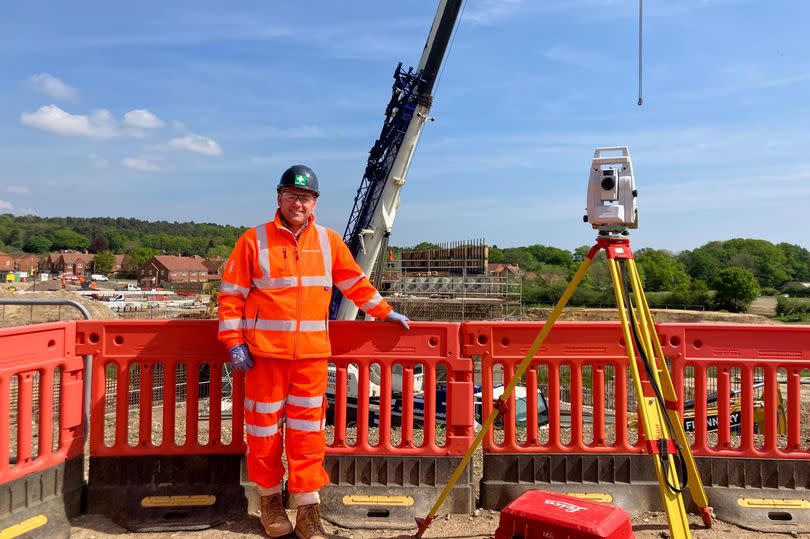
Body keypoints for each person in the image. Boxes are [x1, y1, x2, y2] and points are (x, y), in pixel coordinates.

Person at [217, 165, 410, 539]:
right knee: (264, 434)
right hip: (264, 358)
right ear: (279, 198)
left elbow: (354, 282)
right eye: (291, 195)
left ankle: (307, 509)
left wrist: (384, 311)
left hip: (310, 359)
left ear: (315, 203)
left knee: (308, 436)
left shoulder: (328, 241)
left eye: (305, 197)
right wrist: (234, 342)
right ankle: (270, 502)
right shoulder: (252, 241)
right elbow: (230, 297)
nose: (298, 203)